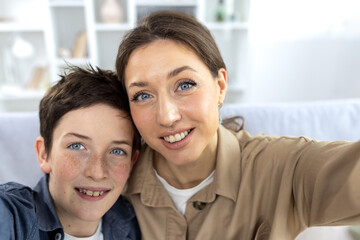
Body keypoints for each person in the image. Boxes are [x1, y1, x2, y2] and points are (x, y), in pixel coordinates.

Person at [115, 11, 360, 240]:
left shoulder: (282, 169)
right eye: (143, 96)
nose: (167, 117)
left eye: (185, 85)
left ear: (220, 86)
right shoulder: (115, 180)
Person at [0, 65, 141, 240]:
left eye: (117, 151)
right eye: (77, 146)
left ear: (132, 163)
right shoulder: (11, 215)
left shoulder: (134, 223)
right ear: (44, 154)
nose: (97, 173)